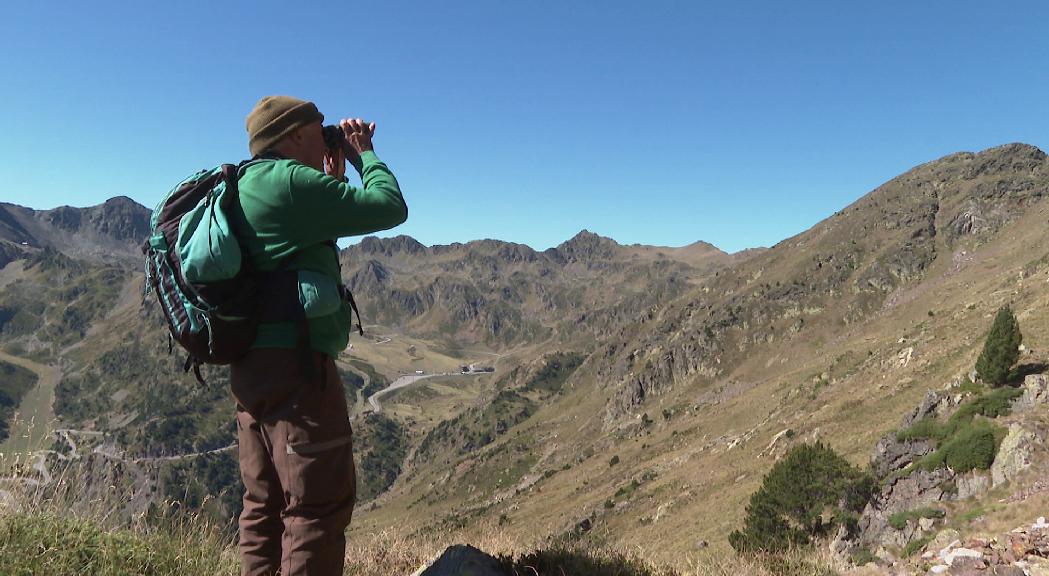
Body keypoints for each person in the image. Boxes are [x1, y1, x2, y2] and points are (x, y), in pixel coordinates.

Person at [229, 95, 407, 576]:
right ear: (292, 136)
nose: (328, 134)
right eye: (320, 127)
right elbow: (390, 207)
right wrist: (363, 152)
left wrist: (332, 178)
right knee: (315, 509)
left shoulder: (247, 184)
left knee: (263, 505)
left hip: (250, 372)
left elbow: (297, 249)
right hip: (299, 375)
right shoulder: (291, 181)